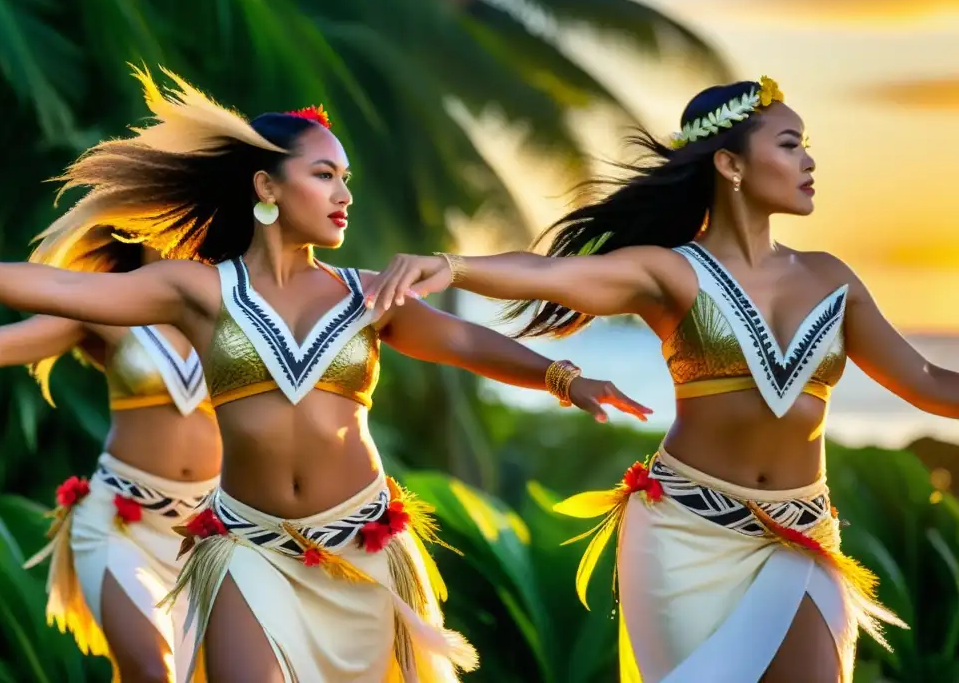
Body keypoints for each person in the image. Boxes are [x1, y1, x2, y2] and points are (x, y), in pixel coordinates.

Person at [0, 65, 651, 682]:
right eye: (324, 175)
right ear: (266, 188)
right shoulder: (202, 292)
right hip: (247, 547)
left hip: (360, 544)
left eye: (347, 178)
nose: (345, 193)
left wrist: (563, 377)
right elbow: (70, 291)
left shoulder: (367, 294)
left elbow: (462, 339)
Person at [364, 76, 959, 682]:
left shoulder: (832, 278)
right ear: (730, 163)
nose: (808, 161)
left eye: (806, 146)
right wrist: (451, 267)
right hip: (686, 537)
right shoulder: (672, 273)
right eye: (789, 144)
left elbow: (930, 381)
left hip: (800, 539)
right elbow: (553, 276)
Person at [0, 231, 218, 683]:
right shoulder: (107, 303)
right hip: (123, 524)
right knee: (149, 671)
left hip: (213, 537)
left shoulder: (239, 308)